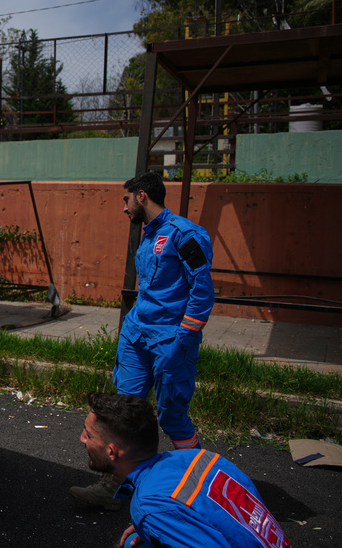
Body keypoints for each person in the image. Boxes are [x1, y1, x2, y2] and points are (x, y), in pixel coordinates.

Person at [71, 171, 215, 510]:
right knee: (123, 412)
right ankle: (115, 488)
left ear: (141, 196)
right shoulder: (148, 235)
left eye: (126, 199)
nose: (124, 208)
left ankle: (200, 490)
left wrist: (182, 341)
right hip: (137, 336)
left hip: (170, 341)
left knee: (172, 417)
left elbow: (202, 292)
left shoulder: (185, 234)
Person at [80, 392, 290, 548]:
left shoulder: (150, 505)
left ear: (112, 452)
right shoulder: (199, 457)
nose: (82, 438)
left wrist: (158, 520)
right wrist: (167, 526)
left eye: (89, 435)